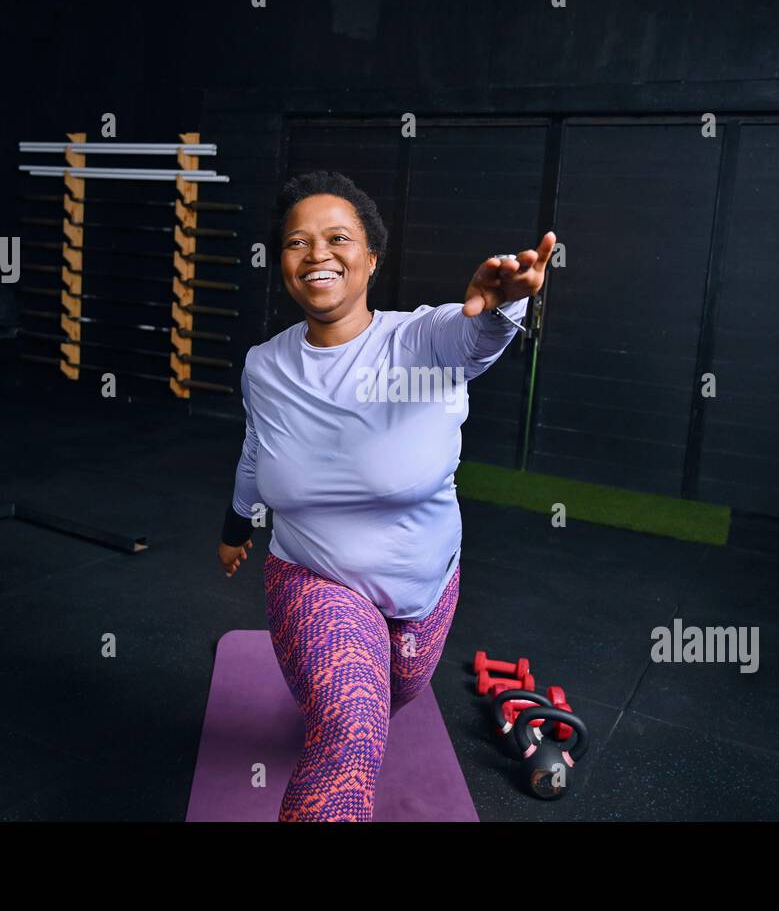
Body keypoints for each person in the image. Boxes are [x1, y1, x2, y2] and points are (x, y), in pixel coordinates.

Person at [216, 169, 554, 821]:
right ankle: (338, 710)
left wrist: (505, 302)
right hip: (313, 574)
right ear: (281, 262)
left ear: (371, 257)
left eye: (337, 237)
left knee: (400, 689)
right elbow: (257, 452)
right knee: (348, 730)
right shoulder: (264, 364)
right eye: (296, 241)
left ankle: (359, 692)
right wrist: (236, 526)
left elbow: (475, 337)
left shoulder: (421, 339)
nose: (316, 253)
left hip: (425, 583)